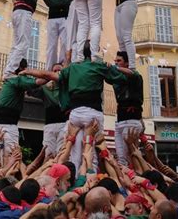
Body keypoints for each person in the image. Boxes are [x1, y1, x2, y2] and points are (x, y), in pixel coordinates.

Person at [20, 41, 132, 172]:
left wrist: (29, 71)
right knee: (91, 149)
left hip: (76, 114)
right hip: (93, 113)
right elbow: (122, 79)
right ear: (95, 52)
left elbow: (48, 75)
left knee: (75, 151)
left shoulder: (73, 68)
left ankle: (73, 178)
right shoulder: (99, 66)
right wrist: (110, 67)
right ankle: (89, 177)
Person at [3, 0, 52, 80]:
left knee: (16, 44)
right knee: (23, 44)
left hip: (17, 12)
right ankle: (10, 71)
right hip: (24, 12)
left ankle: (8, 70)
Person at [0, 74, 44, 163]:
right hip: (7, 125)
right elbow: (38, 82)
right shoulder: (16, 80)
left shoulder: (9, 82)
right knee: (10, 159)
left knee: (5, 159)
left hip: (1, 124)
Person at [29, 63, 68, 158]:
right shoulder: (45, 88)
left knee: (61, 153)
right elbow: (30, 90)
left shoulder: (67, 87)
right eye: (54, 71)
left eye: (59, 71)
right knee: (48, 153)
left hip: (64, 125)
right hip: (49, 125)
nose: (57, 73)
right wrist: (45, 78)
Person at [112, 51, 144, 166]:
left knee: (132, 156)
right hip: (120, 121)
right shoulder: (118, 79)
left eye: (119, 61)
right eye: (115, 61)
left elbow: (132, 74)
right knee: (121, 160)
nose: (116, 63)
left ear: (127, 63)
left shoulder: (136, 76)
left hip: (132, 120)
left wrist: (114, 68)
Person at [38, 0, 71, 70]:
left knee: (65, 43)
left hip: (65, 17)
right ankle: (49, 68)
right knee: (51, 45)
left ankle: (63, 66)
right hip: (52, 18)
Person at [108, 0, 137, 69]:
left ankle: (132, 66)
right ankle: (124, 63)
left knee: (126, 36)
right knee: (120, 37)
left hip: (128, 3)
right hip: (119, 5)